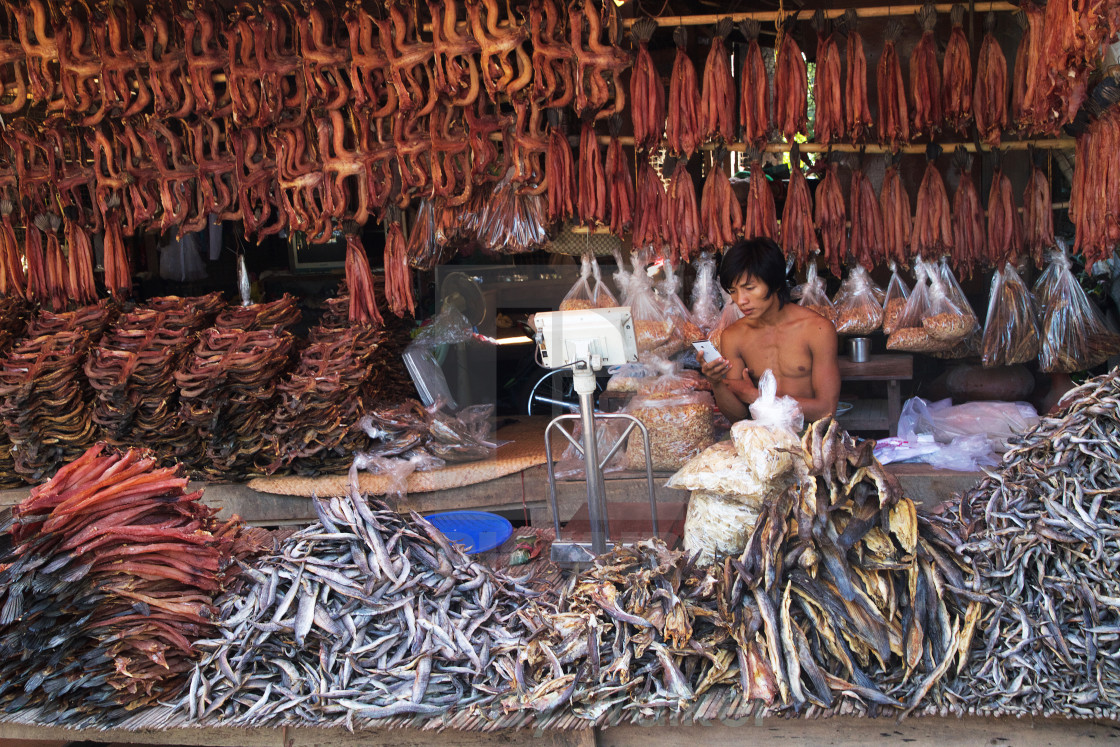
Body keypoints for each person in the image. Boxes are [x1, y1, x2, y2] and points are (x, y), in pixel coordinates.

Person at [699, 237, 840, 422]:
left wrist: (755, 396)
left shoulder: (818, 330)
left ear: (776, 283)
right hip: (759, 439)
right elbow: (738, 416)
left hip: (808, 437)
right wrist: (716, 382)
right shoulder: (733, 336)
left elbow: (826, 410)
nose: (741, 300)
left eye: (749, 288)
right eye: (733, 291)